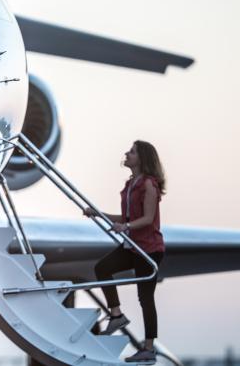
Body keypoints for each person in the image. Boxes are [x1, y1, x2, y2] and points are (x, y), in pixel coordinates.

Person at [84, 140, 166, 364]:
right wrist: (99, 214)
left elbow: (148, 219)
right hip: (132, 245)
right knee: (102, 268)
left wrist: (126, 227)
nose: (127, 154)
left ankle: (149, 348)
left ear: (142, 158)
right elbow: (127, 219)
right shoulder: (131, 184)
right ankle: (117, 315)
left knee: (145, 298)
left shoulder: (149, 184)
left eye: (132, 152)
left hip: (148, 248)